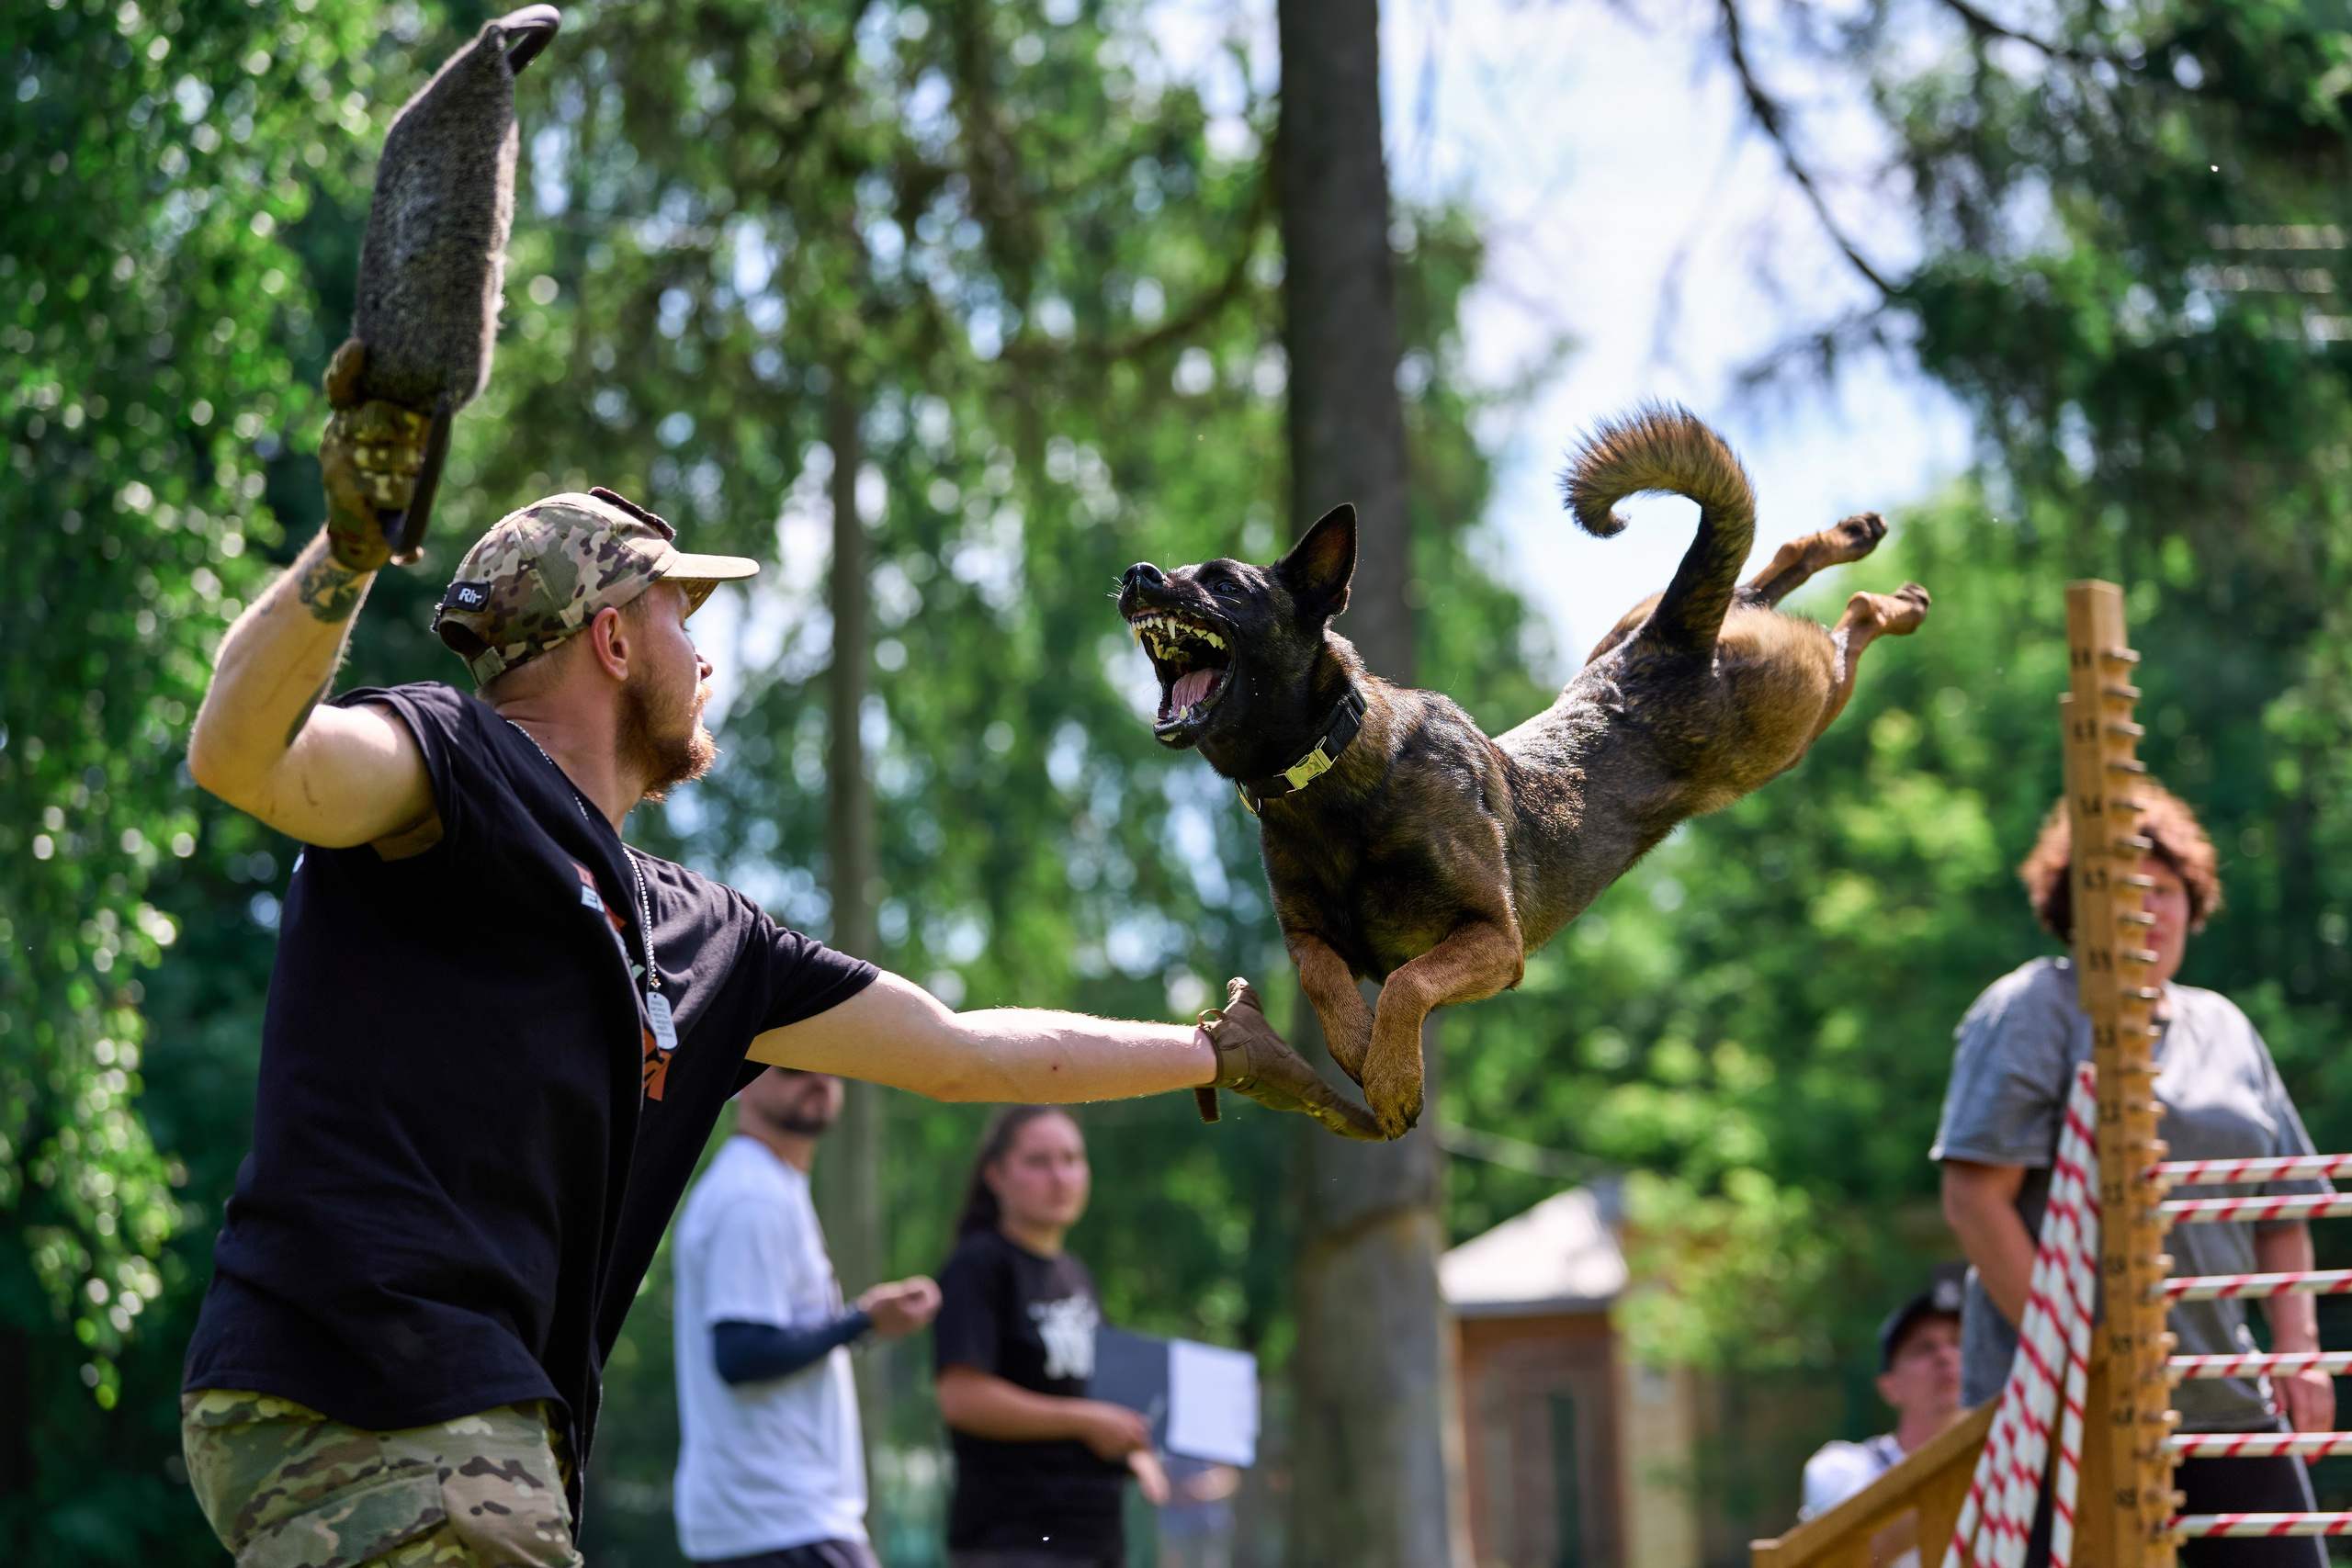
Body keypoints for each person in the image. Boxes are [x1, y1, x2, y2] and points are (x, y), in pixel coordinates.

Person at [175, 344, 1375, 1568]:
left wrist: (1208, 1050)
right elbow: (243, 758)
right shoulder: (448, 760)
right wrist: (352, 549)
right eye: (679, 617)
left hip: (461, 1416)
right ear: (610, 641)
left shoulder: (702, 932)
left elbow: (959, 1051)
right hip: (380, 1379)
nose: (706, 657)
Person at [1934, 784, 2331, 1567]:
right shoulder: (2032, 1008)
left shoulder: (2224, 1025)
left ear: (2195, 902)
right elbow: (1974, 1198)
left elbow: (2283, 1207)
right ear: (2076, 906)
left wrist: (2298, 1347)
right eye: (2124, 888)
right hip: (2064, 1407)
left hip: (2220, 1398)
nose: (2148, 906)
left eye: (2166, 888)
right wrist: (2090, 1354)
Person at [672, 1066, 941, 1568]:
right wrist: (862, 1321)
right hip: (778, 1518)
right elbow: (740, 1353)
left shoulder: (772, 1184)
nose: (817, 1078)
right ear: (745, 1081)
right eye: (795, 1067)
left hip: (773, 1521)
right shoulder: (753, 1195)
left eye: (830, 1065)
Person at [933, 1107, 1167, 1568]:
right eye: (1038, 1162)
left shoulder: (1076, 1275)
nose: (1059, 1177)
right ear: (996, 1175)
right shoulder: (978, 1268)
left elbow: (1099, 1396)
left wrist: (1135, 1448)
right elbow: (960, 1397)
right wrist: (1086, 1420)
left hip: (1092, 1539)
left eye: (1072, 1159)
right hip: (1013, 1542)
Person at [1798, 1270, 1967, 1568]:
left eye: (1959, 1342)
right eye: (1924, 1348)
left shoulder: (2012, 1468)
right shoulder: (1843, 1468)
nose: (1946, 1356)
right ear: (1889, 1387)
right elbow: (1853, 1557)